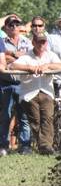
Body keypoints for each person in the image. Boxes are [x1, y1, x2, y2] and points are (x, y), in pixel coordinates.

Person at [9, 32, 61, 154]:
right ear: (33, 42)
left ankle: (45, 146)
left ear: (46, 43)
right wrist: (30, 68)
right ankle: (43, 146)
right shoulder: (27, 57)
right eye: (39, 42)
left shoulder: (50, 55)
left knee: (48, 118)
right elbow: (13, 66)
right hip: (29, 93)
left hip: (46, 91)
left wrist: (47, 66)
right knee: (36, 121)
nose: (41, 44)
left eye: (43, 42)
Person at [0, 14, 32, 153]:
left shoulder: (27, 42)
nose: (14, 27)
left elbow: (31, 57)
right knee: (5, 116)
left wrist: (12, 58)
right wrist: (14, 55)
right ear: (6, 28)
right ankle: (3, 145)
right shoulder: (1, 41)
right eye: (11, 25)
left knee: (24, 116)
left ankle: (25, 145)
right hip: (6, 83)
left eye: (17, 24)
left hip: (23, 83)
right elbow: (2, 60)